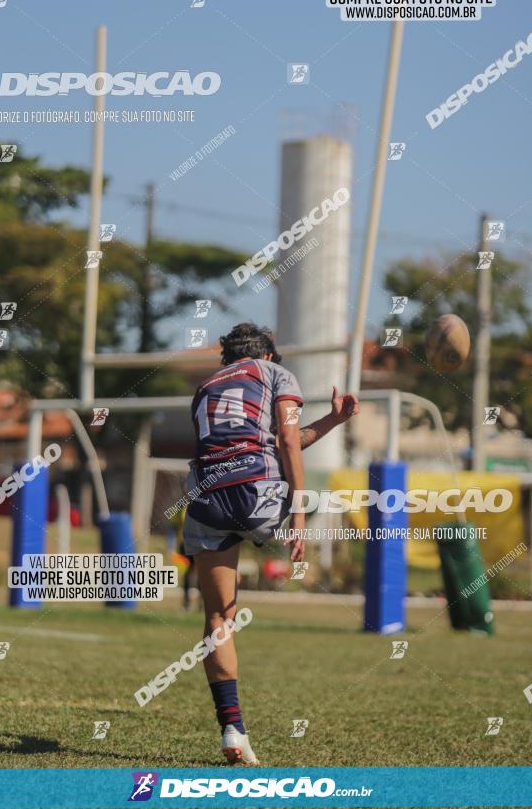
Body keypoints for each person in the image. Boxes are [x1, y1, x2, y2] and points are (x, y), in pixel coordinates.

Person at [183, 322, 359, 764]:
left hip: (206, 499)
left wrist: (332, 420)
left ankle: (232, 728)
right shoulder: (275, 373)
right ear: (269, 353)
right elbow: (285, 439)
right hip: (260, 494)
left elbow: (265, 438)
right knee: (343, 499)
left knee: (219, 616)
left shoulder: (205, 386)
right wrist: (298, 515)